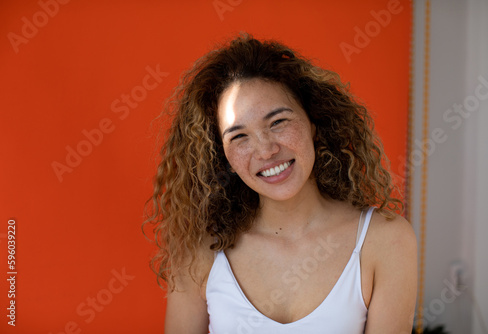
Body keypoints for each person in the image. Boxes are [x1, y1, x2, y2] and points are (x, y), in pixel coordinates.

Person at [143, 33, 417, 334]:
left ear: (314, 121)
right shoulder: (201, 252)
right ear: (222, 155)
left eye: (278, 122)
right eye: (239, 137)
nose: (265, 151)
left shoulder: (385, 241)